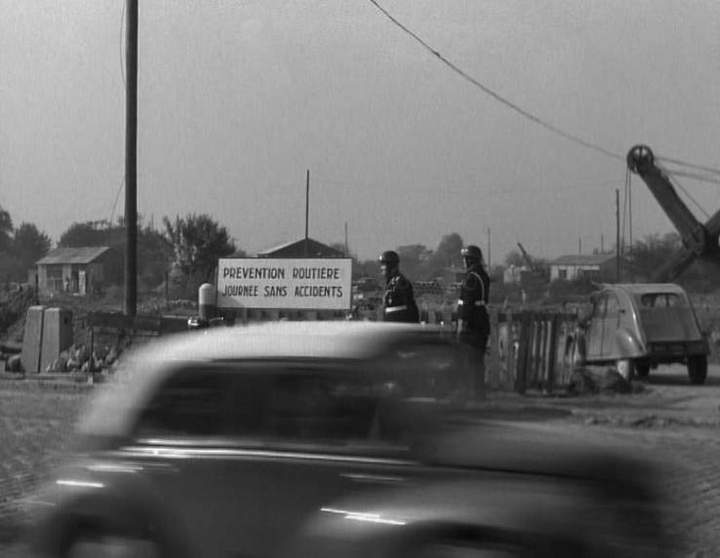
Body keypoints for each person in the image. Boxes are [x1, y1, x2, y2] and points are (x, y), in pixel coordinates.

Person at [456, 244, 491, 398]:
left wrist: (461, 324)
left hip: (472, 323)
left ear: (469, 260)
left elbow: (467, 304)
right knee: (477, 360)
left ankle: (471, 392)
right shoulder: (483, 275)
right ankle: (478, 391)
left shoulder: (471, 279)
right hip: (482, 319)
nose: (464, 262)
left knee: (469, 360)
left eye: (465, 259)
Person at [378, 250, 419, 323]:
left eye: (383, 265)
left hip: (402, 326)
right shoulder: (390, 283)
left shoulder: (400, 283)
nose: (381, 268)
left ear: (391, 266)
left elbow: (406, 309)